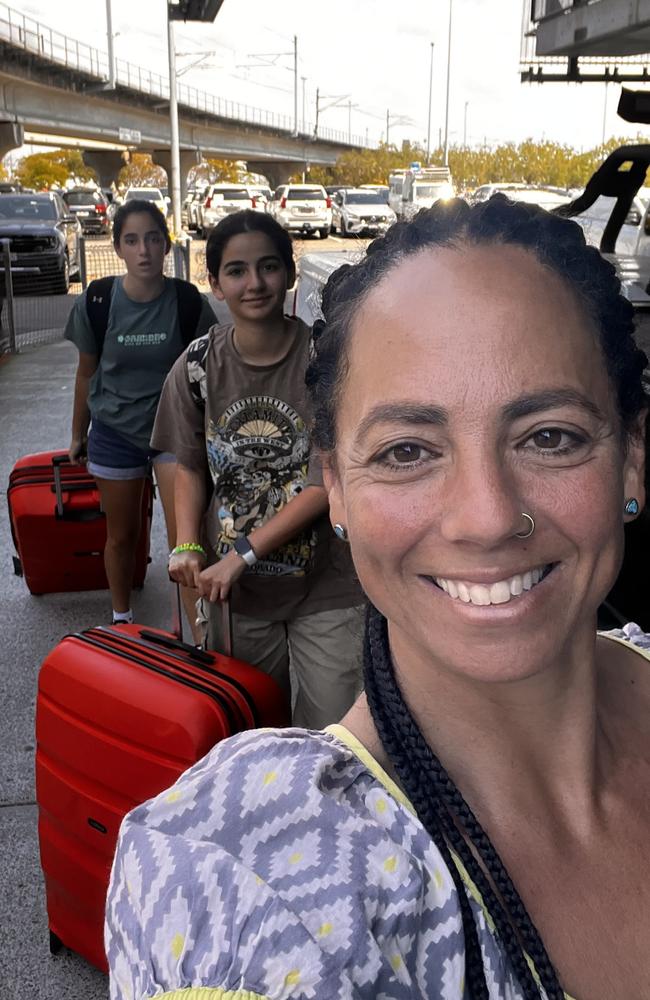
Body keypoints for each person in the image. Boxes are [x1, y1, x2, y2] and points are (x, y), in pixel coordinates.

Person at [105, 196, 649, 1000]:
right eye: (406, 450)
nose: (488, 518)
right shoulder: (250, 885)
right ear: (341, 488)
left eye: (551, 436)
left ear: (633, 460)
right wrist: (194, 548)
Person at [152, 209, 364, 726]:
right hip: (235, 596)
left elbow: (326, 481)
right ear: (216, 284)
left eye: (268, 267)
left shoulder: (327, 363)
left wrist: (242, 554)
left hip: (327, 584)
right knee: (249, 733)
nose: (255, 283)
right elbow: (190, 464)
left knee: (333, 737)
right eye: (237, 271)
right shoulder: (198, 366)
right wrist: (186, 544)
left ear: (290, 275)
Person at [65, 199, 215, 627]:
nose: (143, 250)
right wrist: (78, 434)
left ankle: (195, 636)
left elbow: (209, 372)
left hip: (174, 433)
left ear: (166, 245)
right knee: (122, 536)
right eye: (131, 240)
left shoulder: (187, 302)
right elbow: (86, 372)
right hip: (113, 431)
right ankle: (121, 618)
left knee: (185, 540)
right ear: (117, 248)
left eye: (152, 238)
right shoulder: (97, 301)